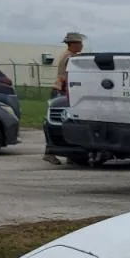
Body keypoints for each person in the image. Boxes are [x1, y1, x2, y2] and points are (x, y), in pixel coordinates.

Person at [44, 31, 85, 164]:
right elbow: (67, 77)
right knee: (59, 121)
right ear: (72, 44)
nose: (81, 45)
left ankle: (70, 153)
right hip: (61, 91)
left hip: (63, 90)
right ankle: (50, 152)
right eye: (79, 42)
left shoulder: (71, 56)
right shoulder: (69, 58)